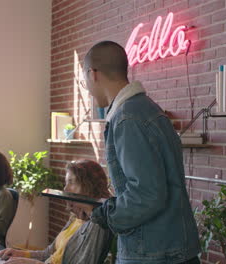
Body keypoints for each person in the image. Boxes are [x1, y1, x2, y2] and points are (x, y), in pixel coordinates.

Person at [77, 40, 201, 263]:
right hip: (168, 249)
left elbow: (146, 194)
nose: (87, 87)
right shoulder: (146, 109)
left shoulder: (128, 118)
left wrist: (104, 214)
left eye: (85, 79)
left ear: (92, 74)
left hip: (152, 253)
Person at [0, 160, 113, 264]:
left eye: (71, 182)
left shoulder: (98, 224)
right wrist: (20, 254)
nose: (65, 189)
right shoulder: (75, 218)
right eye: (66, 183)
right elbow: (48, 253)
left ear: (88, 186)